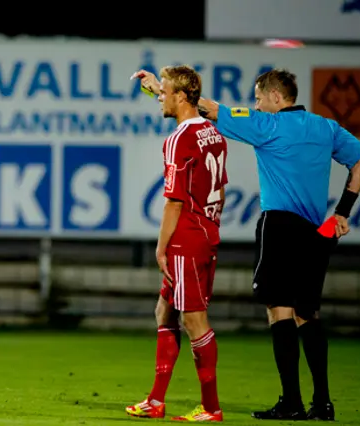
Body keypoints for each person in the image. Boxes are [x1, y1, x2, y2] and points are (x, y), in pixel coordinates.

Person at [134, 68, 360, 421]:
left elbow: (205, 108)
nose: (255, 104)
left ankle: (290, 401)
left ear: (276, 97)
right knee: (309, 313)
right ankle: (322, 401)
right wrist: (342, 212)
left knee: (279, 310)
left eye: (259, 98)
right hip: (315, 232)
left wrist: (158, 89)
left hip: (279, 226)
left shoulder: (266, 124)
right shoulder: (326, 127)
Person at [125, 65, 227, 422]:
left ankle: (211, 408)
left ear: (181, 97)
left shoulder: (178, 140)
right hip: (205, 233)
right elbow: (222, 190)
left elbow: (174, 202)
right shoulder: (212, 134)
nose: (159, 99)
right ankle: (155, 401)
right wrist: (156, 86)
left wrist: (161, 246)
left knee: (195, 321)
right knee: (164, 310)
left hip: (185, 238)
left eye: (164, 93)